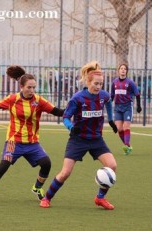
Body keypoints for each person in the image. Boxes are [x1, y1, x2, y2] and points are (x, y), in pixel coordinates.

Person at [0, 67, 64, 203]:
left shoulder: (39, 100)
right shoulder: (13, 99)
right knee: (4, 165)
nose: (32, 90)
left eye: (34, 87)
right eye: (29, 87)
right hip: (14, 142)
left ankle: (37, 188)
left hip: (32, 143)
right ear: (21, 86)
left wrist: (72, 110)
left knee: (46, 163)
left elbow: (56, 111)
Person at [39, 61, 118, 210]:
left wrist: (112, 120)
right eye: (96, 83)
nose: (99, 87)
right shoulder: (77, 98)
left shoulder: (103, 95)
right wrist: (71, 127)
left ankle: (100, 198)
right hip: (78, 140)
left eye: (101, 84)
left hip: (96, 139)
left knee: (112, 166)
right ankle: (47, 197)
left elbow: (108, 101)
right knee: (65, 173)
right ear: (88, 82)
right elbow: (66, 117)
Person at [111, 63, 142, 155]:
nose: (123, 70)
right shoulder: (114, 82)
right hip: (117, 107)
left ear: (126, 71)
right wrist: (109, 105)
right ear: (119, 70)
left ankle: (127, 145)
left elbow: (137, 94)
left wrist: (139, 106)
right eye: (121, 68)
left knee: (126, 127)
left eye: (124, 69)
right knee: (119, 129)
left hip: (127, 107)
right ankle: (128, 146)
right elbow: (112, 95)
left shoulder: (130, 82)